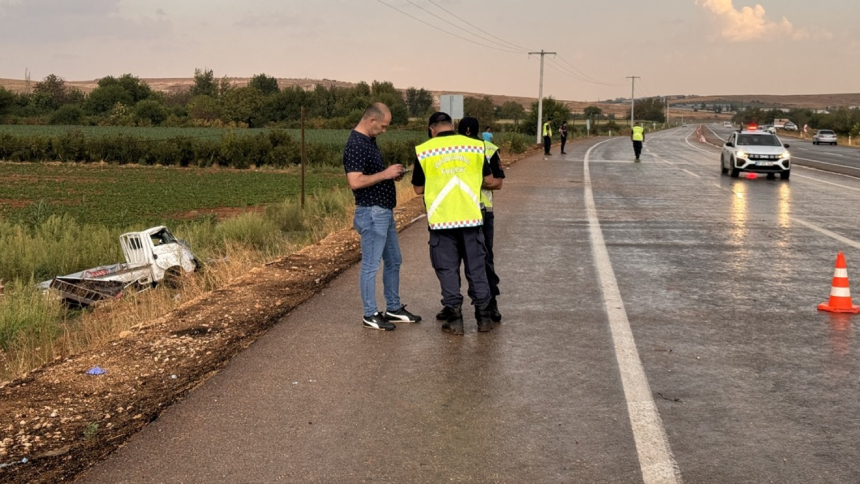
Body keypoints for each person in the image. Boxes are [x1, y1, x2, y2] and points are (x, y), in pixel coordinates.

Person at [412, 112, 496, 335]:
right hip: (471, 218)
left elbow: (418, 189)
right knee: (476, 269)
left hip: (442, 221)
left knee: (447, 269)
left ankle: (456, 320)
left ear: (432, 129)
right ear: (452, 125)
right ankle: (484, 318)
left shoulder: (424, 151)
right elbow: (488, 180)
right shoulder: (475, 147)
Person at [343, 102, 421, 331]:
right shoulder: (356, 144)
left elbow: (370, 175)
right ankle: (370, 313)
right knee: (370, 265)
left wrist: (389, 176)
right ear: (371, 120)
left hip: (383, 211)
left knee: (394, 260)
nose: (384, 131)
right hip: (371, 212)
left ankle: (394, 308)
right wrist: (385, 174)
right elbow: (355, 181)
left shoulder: (369, 141)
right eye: (383, 126)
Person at [454, 117, 505, 323]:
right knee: (457, 259)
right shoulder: (458, 149)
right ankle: (452, 305)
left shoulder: (488, 149)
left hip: (481, 211)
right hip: (459, 209)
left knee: (483, 258)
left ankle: (490, 303)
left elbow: (498, 183)